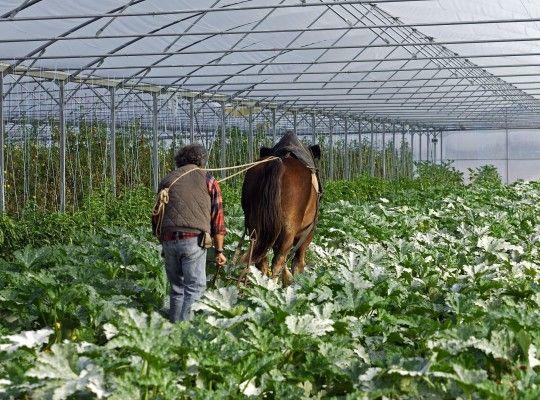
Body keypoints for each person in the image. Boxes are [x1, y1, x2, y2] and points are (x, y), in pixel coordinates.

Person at [153, 144, 227, 322]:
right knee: (194, 287)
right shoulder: (208, 179)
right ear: (201, 160)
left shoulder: (168, 180)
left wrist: (163, 240)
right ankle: (186, 334)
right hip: (193, 239)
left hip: (168, 239)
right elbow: (217, 217)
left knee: (177, 288)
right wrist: (219, 251)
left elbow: (157, 215)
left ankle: (175, 329)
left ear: (180, 160)